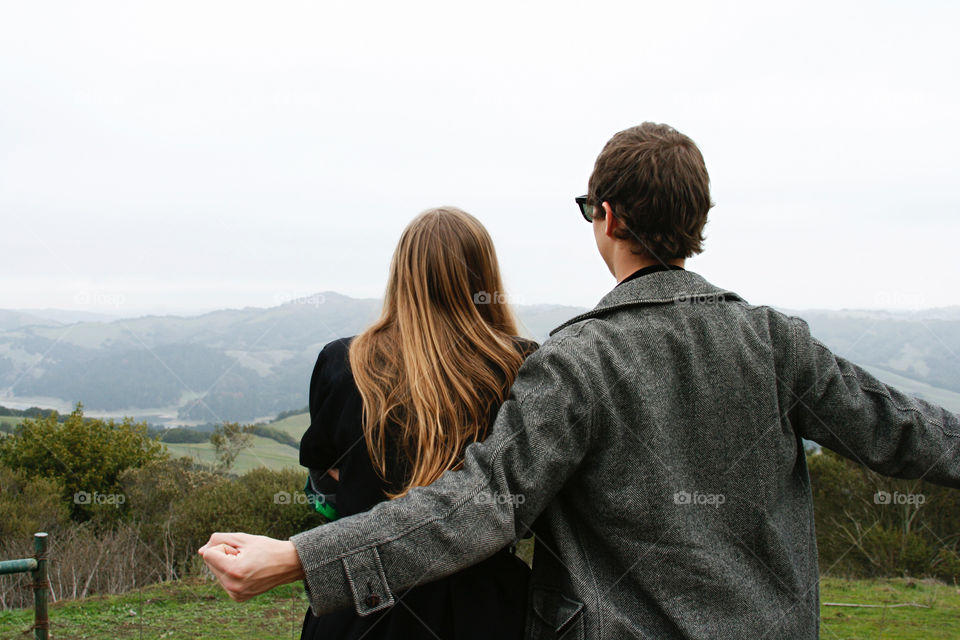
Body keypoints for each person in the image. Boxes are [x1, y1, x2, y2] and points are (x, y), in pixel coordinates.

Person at [200, 123, 960, 639]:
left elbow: (478, 506)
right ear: (694, 222)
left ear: (607, 216)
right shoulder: (775, 343)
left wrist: (301, 558)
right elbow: (908, 434)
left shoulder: (575, 364)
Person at [298, 207, 535, 639]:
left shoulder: (343, 362)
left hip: (361, 604)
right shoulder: (518, 364)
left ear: (401, 274)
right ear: (485, 276)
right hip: (484, 610)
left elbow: (326, 483)